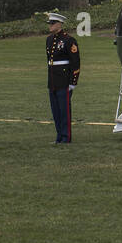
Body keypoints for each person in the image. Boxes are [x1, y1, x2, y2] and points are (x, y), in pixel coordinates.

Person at [45, 12, 80, 144]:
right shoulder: (49, 40)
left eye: (52, 23)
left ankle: (66, 137)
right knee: (55, 111)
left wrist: (73, 82)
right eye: (50, 23)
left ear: (59, 24)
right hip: (53, 81)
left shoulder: (69, 40)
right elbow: (50, 62)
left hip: (64, 81)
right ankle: (59, 136)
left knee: (64, 111)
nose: (50, 26)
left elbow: (75, 63)